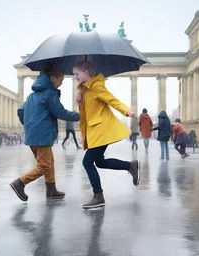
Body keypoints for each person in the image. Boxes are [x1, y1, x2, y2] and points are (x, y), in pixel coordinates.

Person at [73, 61, 140, 209]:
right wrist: (80, 103)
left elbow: (112, 100)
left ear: (86, 71)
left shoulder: (96, 86)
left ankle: (98, 196)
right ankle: (130, 166)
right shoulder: (85, 90)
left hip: (101, 130)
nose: (75, 77)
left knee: (87, 162)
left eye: (77, 74)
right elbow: (87, 114)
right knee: (99, 162)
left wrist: (127, 111)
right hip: (95, 131)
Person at [10, 62, 80, 202]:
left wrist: (29, 125)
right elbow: (59, 112)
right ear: (52, 78)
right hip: (42, 135)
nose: (61, 83)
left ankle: (51, 189)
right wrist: (80, 116)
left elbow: (21, 111)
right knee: (44, 165)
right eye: (60, 80)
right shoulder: (50, 93)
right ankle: (20, 183)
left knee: (49, 162)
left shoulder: (32, 95)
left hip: (33, 135)